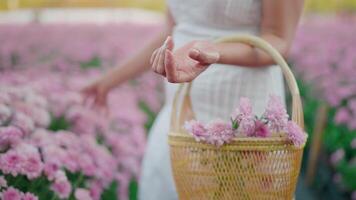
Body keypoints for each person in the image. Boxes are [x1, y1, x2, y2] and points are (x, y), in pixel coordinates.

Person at [82, 0, 304, 199]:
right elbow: (173, 31)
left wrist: (214, 50)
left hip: (247, 118)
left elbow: (279, 39)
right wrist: (110, 80)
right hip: (179, 114)